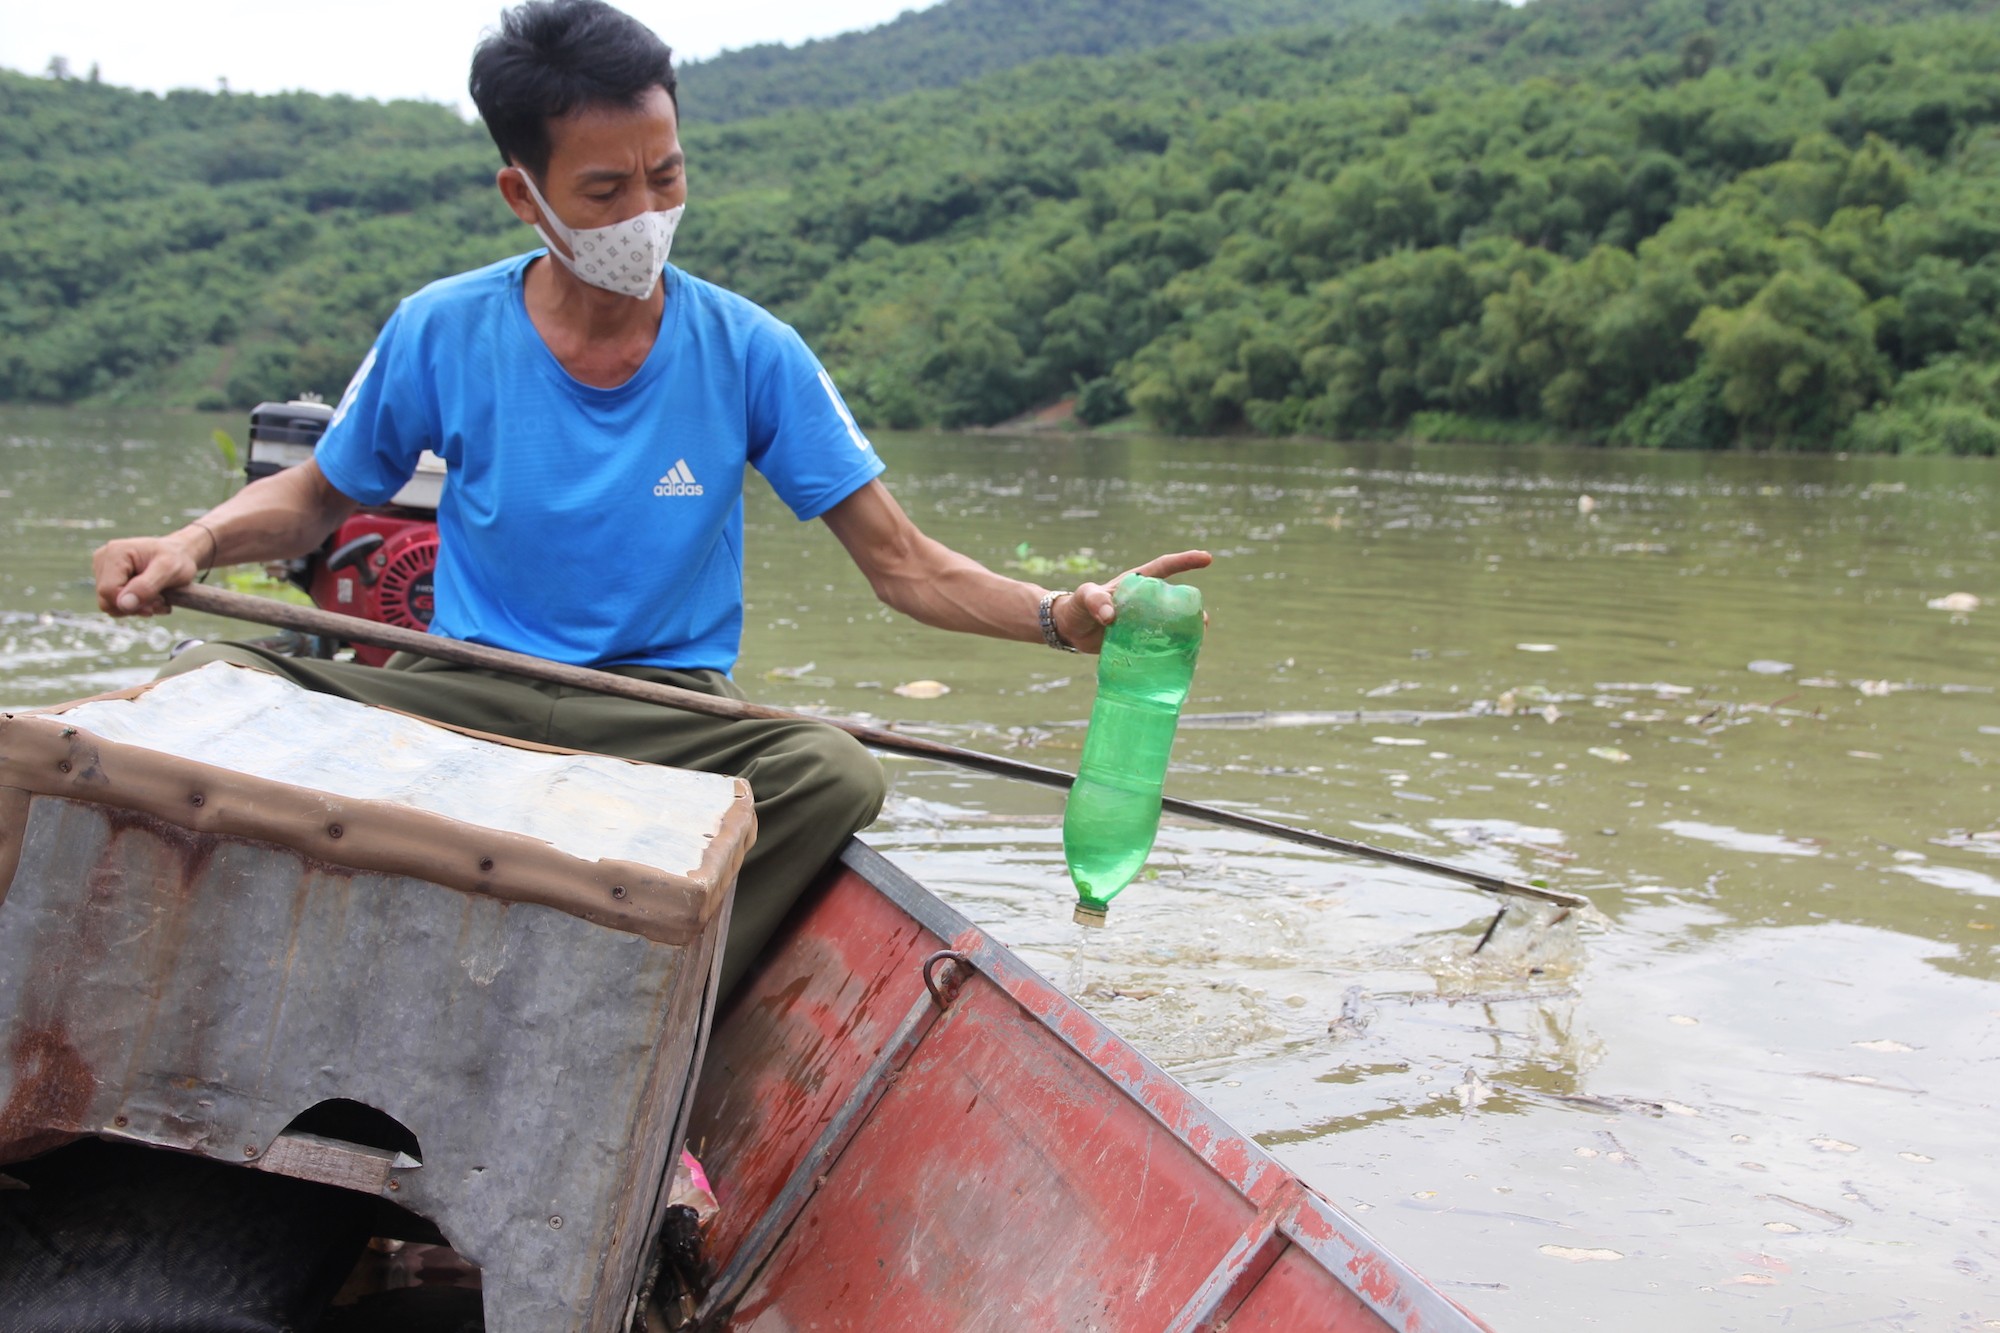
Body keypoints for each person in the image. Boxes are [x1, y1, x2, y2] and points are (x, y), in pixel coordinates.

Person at [92, 0, 1208, 999]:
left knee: (830, 773)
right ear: (522, 194)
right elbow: (312, 501)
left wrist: (1061, 616)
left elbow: (902, 563)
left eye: (664, 175)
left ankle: (643, 1004)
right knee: (208, 683)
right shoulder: (442, 327)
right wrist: (192, 542)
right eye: (605, 189)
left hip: (662, 711)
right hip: (467, 683)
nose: (646, 210)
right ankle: (233, 977)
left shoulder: (749, 350)